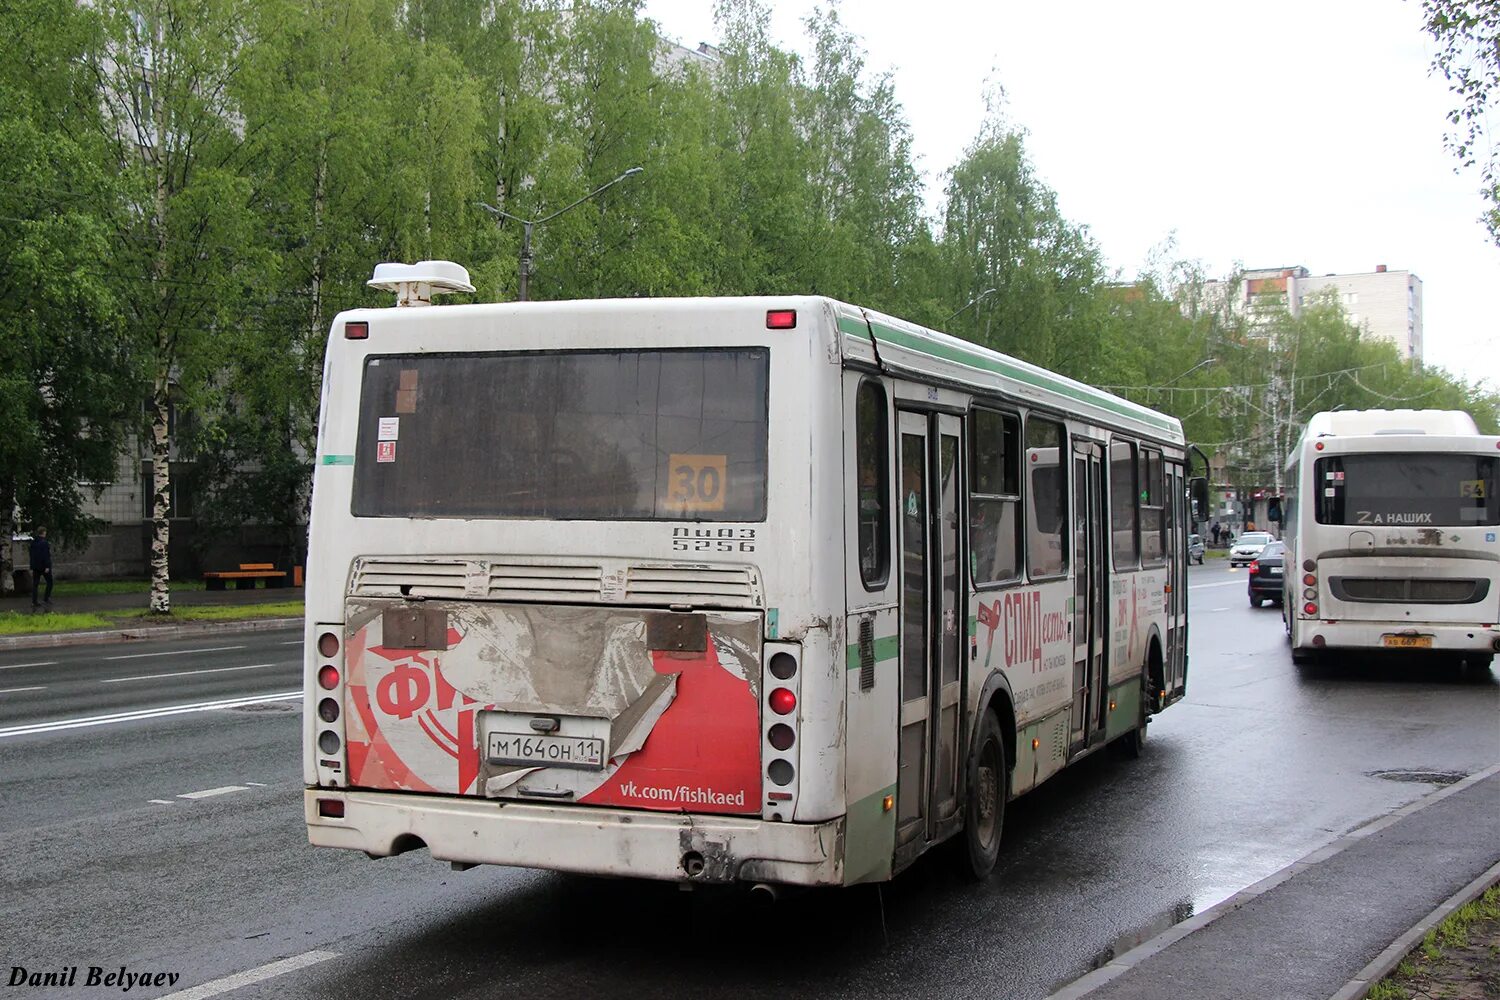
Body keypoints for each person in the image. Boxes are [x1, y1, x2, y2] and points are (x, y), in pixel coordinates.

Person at [29, 526, 53, 609]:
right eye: (45, 532)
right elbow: (45, 555)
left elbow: (32, 555)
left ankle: (34, 601)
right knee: (50, 582)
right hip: (43, 566)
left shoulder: (33, 542)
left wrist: (32, 565)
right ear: (43, 532)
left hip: (36, 566)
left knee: (35, 584)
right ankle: (46, 598)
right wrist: (47, 566)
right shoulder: (44, 543)